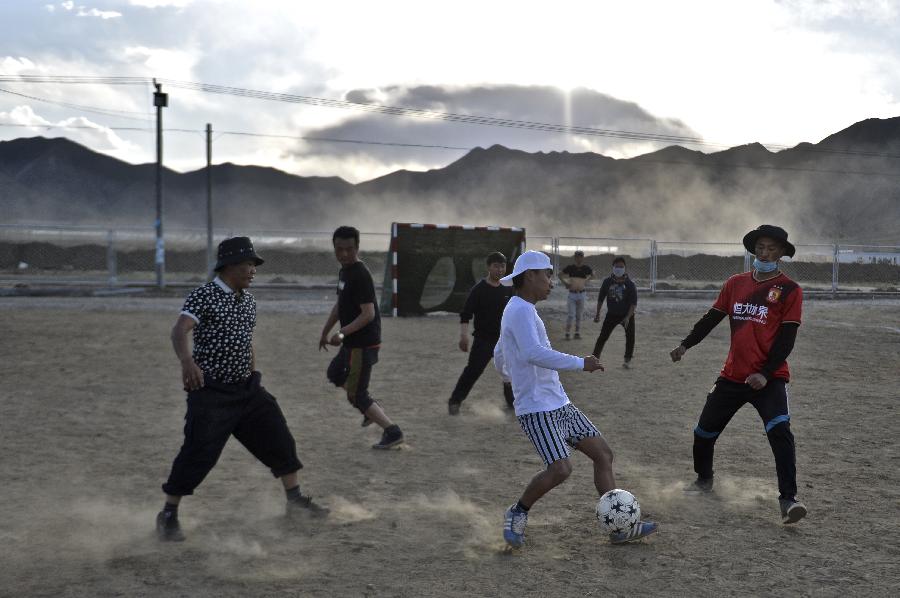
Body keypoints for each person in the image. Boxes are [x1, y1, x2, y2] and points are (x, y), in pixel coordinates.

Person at [157, 237, 326, 542]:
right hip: (212, 392)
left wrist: (252, 374)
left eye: (254, 264)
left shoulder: (248, 301)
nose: (253, 270)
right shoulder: (204, 295)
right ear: (229, 266)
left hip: (247, 389)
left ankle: (295, 501)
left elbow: (245, 342)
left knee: (279, 436)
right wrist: (187, 363)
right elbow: (179, 329)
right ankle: (168, 514)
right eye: (248, 264)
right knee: (199, 452)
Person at [494, 250, 658, 546]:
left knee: (603, 454)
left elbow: (499, 350)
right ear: (530, 275)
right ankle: (517, 511)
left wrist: (506, 372)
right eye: (547, 275)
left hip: (559, 402)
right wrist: (581, 363)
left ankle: (620, 528)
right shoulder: (518, 309)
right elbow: (532, 353)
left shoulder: (523, 308)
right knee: (561, 468)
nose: (551, 282)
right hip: (537, 408)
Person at [670, 225, 807, 524]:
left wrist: (766, 373)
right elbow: (711, 319)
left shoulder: (790, 290)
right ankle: (703, 481)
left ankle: (788, 500)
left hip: (769, 379)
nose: (764, 253)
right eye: (760, 247)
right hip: (732, 377)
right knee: (703, 434)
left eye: (771, 248)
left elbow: (786, 340)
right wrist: (685, 345)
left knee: (780, 433)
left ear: (782, 253)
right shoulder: (735, 283)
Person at [320, 226, 404, 449]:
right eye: (339, 249)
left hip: (363, 343)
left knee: (356, 395)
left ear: (357, 247)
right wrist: (325, 331)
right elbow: (340, 306)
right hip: (351, 342)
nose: (344, 254)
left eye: (349, 249)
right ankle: (369, 408)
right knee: (335, 373)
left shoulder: (360, 274)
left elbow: (369, 314)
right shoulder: (344, 272)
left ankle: (392, 432)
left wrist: (341, 332)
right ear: (334, 248)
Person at [448, 252, 514, 415]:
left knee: (510, 373)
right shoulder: (479, 290)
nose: (500, 270)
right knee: (473, 370)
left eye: (502, 266)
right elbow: (466, 314)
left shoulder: (508, 289)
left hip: (504, 340)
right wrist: (463, 336)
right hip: (483, 339)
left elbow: (515, 313)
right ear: (489, 267)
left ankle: (512, 402)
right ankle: (455, 401)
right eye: (496, 266)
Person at [592, 257, 638, 368]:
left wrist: (628, 317)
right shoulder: (607, 282)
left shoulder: (630, 284)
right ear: (613, 268)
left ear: (625, 268)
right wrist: (597, 313)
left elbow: (633, 304)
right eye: (617, 266)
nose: (619, 269)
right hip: (611, 314)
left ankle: (627, 360)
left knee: (630, 337)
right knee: (603, 337)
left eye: (621, 267)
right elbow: (600, 298)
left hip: (626, 315)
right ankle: (594, 359)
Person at [560, 250, 593, 340]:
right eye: (577, 257)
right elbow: (560, 275)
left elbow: (592, 274)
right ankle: (567, 333)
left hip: (581, 294)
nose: (579, 258)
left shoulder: (586, 268)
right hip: (572, 294)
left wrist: (586, 281)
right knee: (571, 314)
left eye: (580, 256)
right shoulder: (571, 268)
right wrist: (565, 283)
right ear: (575, 258)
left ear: (582, 258)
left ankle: (577, 333)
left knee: (579, 315)